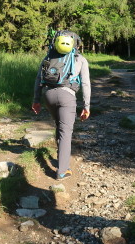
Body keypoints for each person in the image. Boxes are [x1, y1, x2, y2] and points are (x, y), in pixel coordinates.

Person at [31, 31, 91, 180]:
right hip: (67, 97)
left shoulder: (49, 57)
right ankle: (62, 170)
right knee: (66, 132)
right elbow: (85, 84)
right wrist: (86, 106)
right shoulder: (80, 59)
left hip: (48, 95)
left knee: (59, 125)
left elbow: (38, 79)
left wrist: (36, 100)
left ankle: (60, 157)